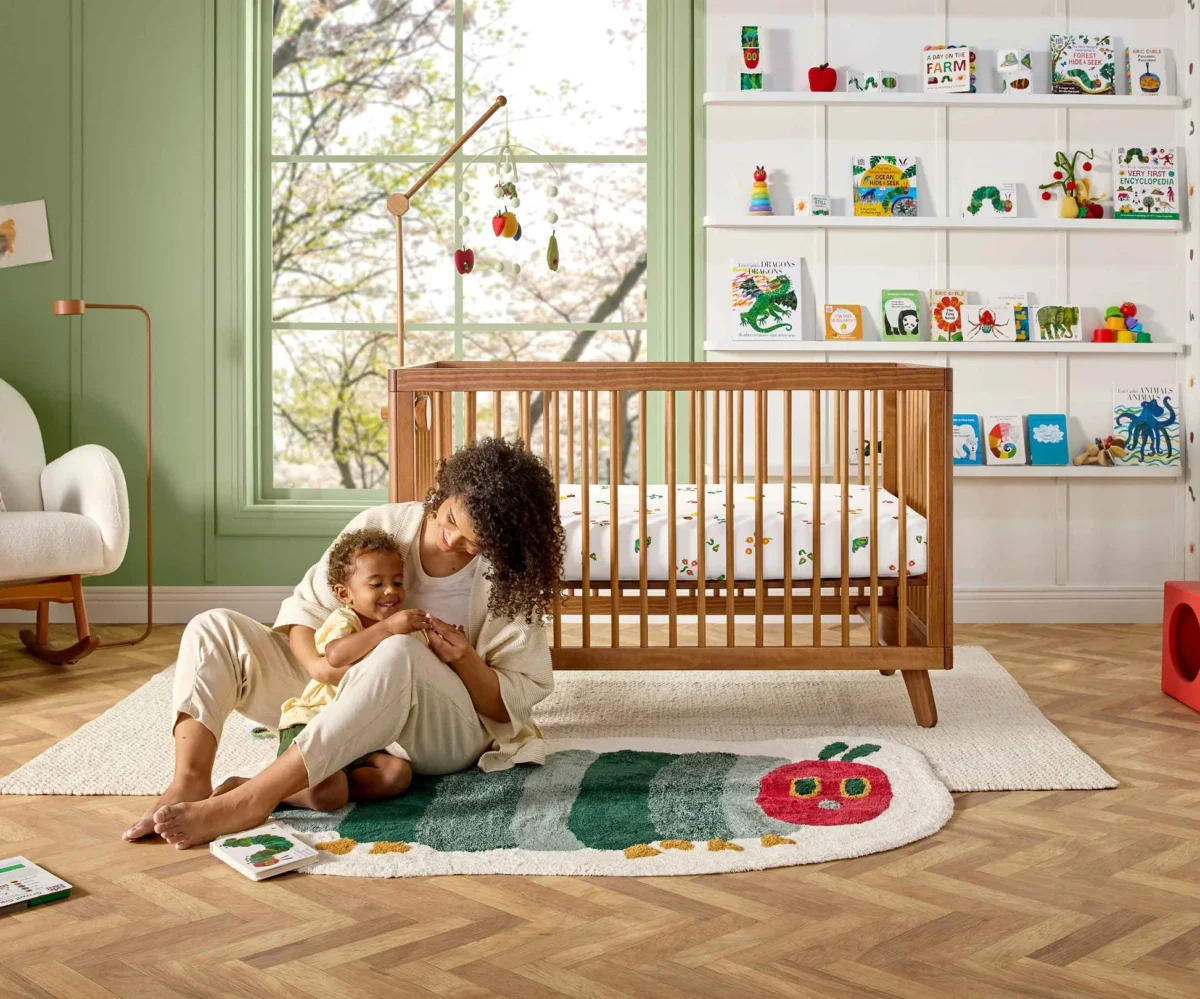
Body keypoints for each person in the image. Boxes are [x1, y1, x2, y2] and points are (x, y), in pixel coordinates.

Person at [123, 437, 564, 847]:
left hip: (436, 729)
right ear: (448, 490)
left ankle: (255, 797)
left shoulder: (508, 578)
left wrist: (466, 660)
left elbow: (507, 707)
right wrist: (317, 666)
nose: (454, 540)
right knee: (213, 625)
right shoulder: (383, 525)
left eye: (475, 543)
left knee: (399, 648)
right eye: (451, 520)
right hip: (334, 691)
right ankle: (191, 779)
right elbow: (305, 614)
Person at [217, 527, 427, 812]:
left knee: (397, 776)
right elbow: (335, 654)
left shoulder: (404, 629)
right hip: (315, 722)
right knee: (329, 796)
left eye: (398, 582)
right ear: (345, 594)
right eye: (376, 584)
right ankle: (249, 787)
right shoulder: (345, 621)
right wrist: (387, 628)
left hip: (362, 730)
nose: (391, 591)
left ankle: (329, 779)